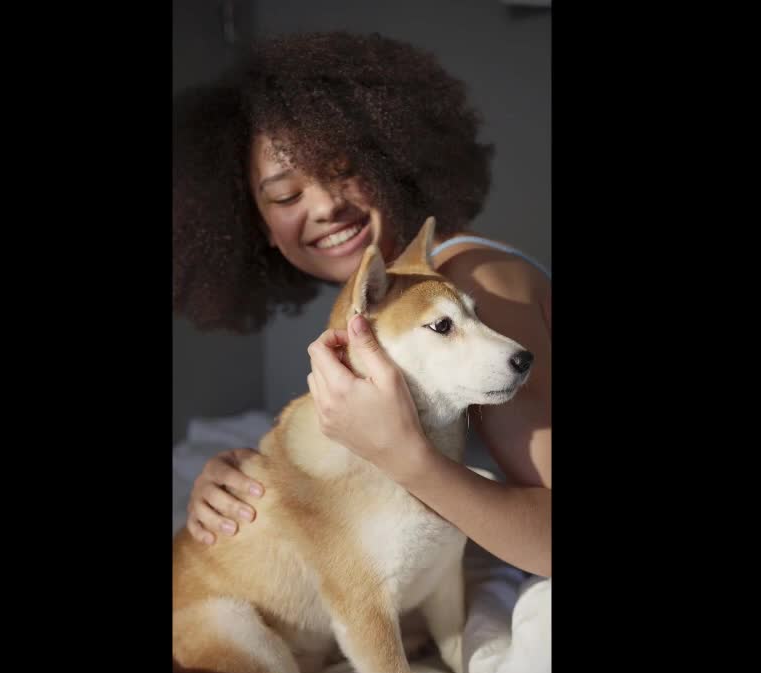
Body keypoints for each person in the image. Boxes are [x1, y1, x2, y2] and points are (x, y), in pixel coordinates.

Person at [173, 31, 551, 578]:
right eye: (285, 195)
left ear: (388, 162)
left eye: (341, 169)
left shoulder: (472, 283)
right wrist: (248, 482)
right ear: (256, 226)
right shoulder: (386, 307)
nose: (326, 206)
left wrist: (407, 459)